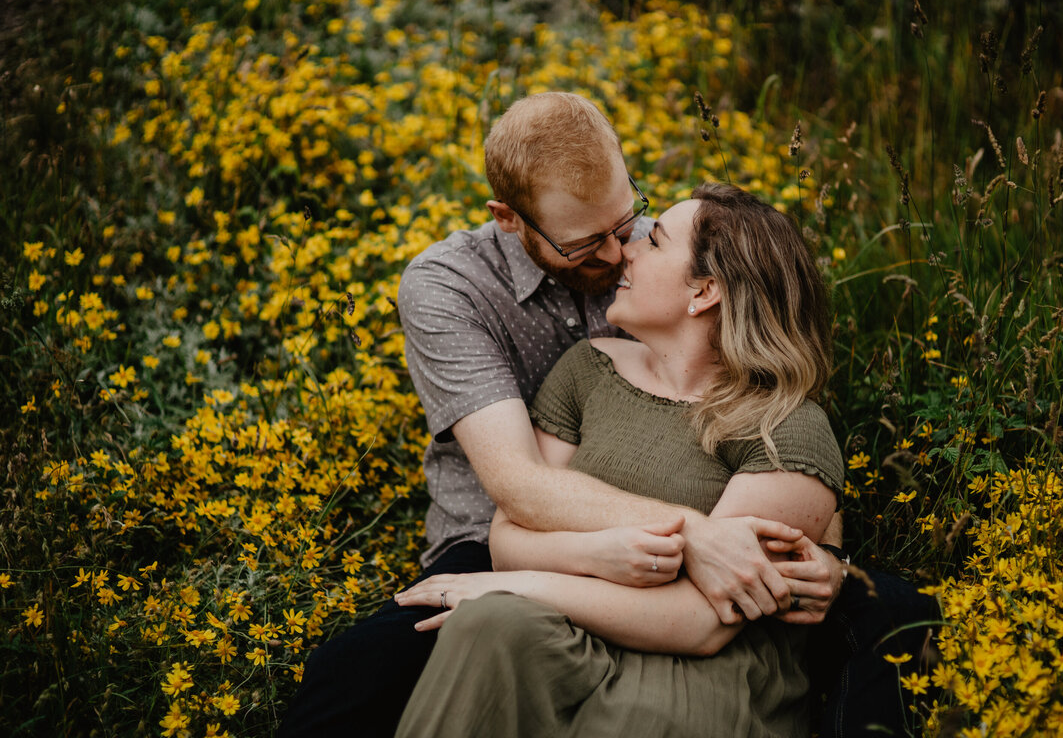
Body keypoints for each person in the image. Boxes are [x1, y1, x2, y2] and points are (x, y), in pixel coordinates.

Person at [277, 93, 848, 738]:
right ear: (511, 219)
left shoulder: (664, 254)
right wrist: (688, 536)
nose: (617, 253)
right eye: (585, 244)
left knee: (885, 624)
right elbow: (518, 488)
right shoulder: (453, 287)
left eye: (630, 223)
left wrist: (831, 558)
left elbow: (783, 445)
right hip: (496, 544)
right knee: (349, 681)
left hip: (668, 588)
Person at [392, 183, 842, 737]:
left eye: (653, 241)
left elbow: (701, 622)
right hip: (567, 636)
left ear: (703, 291)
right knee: (486, 627)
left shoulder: (788, 427)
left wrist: (513, 586)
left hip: (695, 670)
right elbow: (508, 535)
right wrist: (591, 551)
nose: (625, 248)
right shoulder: (589, 369)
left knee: (616, 699)